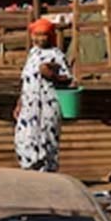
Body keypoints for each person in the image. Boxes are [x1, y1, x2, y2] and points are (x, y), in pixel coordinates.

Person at [13, 17, 73, 173]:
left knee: (46, 140)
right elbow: (25, 80)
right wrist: (19, 103)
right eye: (36, 34)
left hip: (46, 106)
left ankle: (46, 177)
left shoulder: (56, 54)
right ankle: (30, 173)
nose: (39, 38)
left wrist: (51, 75)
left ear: (50, 36)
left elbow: (67, 79)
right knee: (24, 139)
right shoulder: (32, 54)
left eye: (43, 34)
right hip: (29, 107)